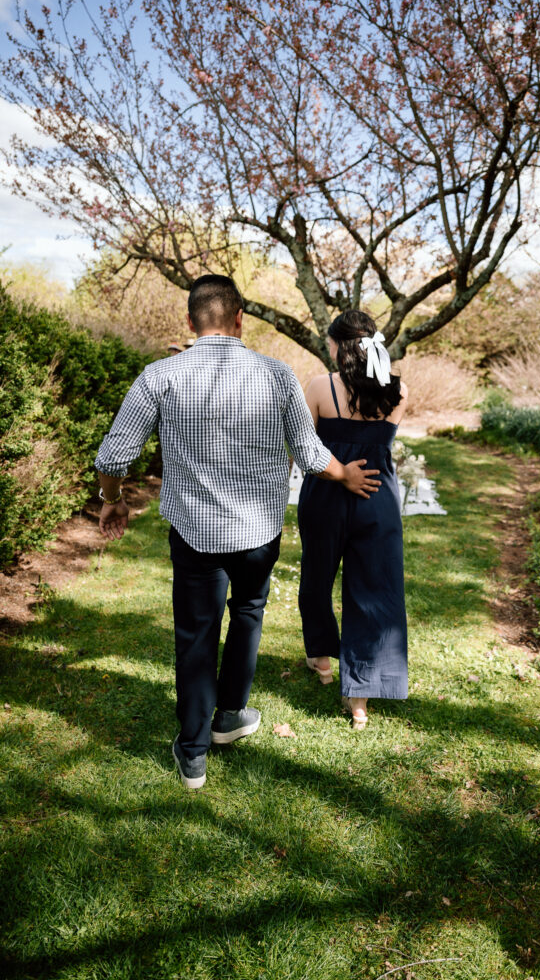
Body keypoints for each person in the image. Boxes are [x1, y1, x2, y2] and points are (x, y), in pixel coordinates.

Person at [95, 275, 380, 789]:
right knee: (247, 616)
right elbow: (311, 453)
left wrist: (111, 502)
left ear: (189, 322)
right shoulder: (277, 375)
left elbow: (114, 455)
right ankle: (228, 716)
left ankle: (194, 752)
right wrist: (347, 474)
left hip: (196, 535)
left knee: (196, 635)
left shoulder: (160, 375)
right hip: (257, 533)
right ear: (240, 319)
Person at [297, 309, 408, 730]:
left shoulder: (320, 386)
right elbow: (379, 446)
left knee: (318, 577)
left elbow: (307, 450)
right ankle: (358, 698)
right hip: (376, 497)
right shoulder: (399, 392)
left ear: (339, 345)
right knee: (374, 592)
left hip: (326, 494)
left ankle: (323, 662)